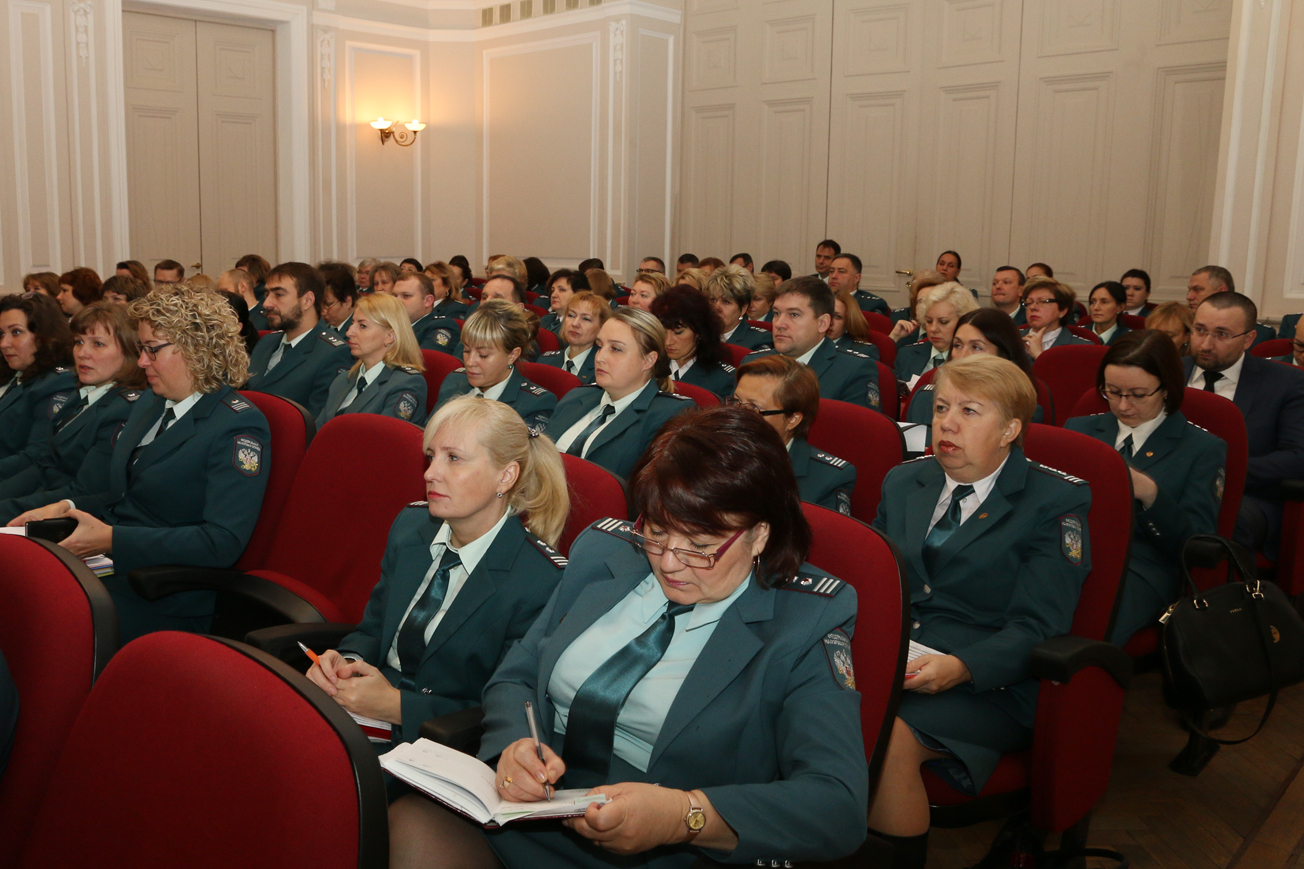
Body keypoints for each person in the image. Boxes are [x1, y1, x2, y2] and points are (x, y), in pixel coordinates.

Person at [387, 404, 868, 869]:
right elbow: (518, 675)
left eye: (700, 547)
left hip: (673, 848)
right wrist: (513, 746)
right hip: (536, 812)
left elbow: (837, 805)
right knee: (408, 822)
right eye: (657, 532)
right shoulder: (605, 552)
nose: (670, 561)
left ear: (760, 535)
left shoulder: (805, 621)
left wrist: (685, 816)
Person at [869, 354, 1091, 869]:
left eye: (970, 411)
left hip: (993, 681)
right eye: (941, 406)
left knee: (892, 736)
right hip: (900, 659)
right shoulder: (905, 482)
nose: (946, 422)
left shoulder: (1055, 503)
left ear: (1011, 428)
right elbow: (876, 581)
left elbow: (1040, 627)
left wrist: (962, 668)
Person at [7, 284, 270, 643]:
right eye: (141, 349)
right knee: (21, 583)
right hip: (112, 564)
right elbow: (118, 493)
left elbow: (221, 542)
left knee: (38, 612)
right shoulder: (151, 402)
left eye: (152, 350)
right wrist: (62, 509)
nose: (142, 361)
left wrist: (111, 539)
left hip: (162, 591)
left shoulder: (237, 425)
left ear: (195, 349)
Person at [306, 396, 570, 747]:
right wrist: (345, 663)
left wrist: (399, 708)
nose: (430, 473)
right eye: (431, 456)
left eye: (454, 458)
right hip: (364, 710)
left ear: (505, 476)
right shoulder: (411, 526)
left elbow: (501, 709)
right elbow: (373, 630)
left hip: (438, 742)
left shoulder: (539, 580)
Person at [1067, 331, 1225, 644]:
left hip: (1141, 566)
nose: (1123, 405)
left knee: (1086, 627)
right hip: (1071, 552)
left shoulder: (1202, 447)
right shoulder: (1080, 429)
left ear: (1166, 388)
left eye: (1138, 394)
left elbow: (1196, 544)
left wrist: (1151, 494)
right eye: (1112, 392)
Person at [1185, 292, 1304, 557]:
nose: (1205, 344)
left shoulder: (1286, 383)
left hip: (1245, 495)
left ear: (1249, 339)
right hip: (1166, 484)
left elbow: (1297, 457)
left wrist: (1220, 472)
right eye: (1200, 330)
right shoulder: (1166, 373)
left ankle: (1215, 598)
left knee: (1220, 520)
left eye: (1222, 334)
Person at [0, 302, 146, 518]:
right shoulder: (85, 394)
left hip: (71, 518)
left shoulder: (124, 409)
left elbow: (85, 491)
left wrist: (7, 509)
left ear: (129, 350)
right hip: (42, 502)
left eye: (98, 344)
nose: (82, 353)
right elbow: (44, 466)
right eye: (78, 342)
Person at [544, 308, 693, 479]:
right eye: (599, 346)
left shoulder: (669, 415)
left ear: (648, 360)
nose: (600, 357)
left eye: (615, 349)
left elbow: (646, 492)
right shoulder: (577, 397)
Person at [732, 355, 855, 515]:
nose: (738, 415)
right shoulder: (709, 450)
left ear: (792, 419)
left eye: (755, 408)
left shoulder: (827, 479)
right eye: (736, 402)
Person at [743, 277, 879, 409]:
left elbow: (854, 430)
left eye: (794, 314)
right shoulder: (753, 363)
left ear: (822, 323)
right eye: (777, 313)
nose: (779, 324)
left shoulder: (853, 371)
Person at [903, 308, 1046, 428]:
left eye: (976, 347)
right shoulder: (924, 399)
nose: (963, 356)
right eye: (958, 345)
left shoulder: (1019, 409)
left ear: (1003, 356)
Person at [245, 261, 353, 418]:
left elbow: (316, 424)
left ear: (307, 300)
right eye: (267, 294)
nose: (267, 303)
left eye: (279, 294)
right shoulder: (266, 343)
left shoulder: (333, 353)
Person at [435, 300, 556, 430]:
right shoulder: (453, 381)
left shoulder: (534, 404)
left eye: (483, 355)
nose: (469, 362)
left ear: (512, 355)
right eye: (466, 350)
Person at [317, 292, 427, 428]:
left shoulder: (406, 384)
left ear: (390, 336)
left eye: (362, 326)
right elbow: (317, 433)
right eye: (352, 323)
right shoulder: (343, 380)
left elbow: (380, 441)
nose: (349, 332)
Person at [0, 293, 76, 478]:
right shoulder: (23, 372)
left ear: (44, 335)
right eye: (1, 334)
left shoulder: (58, 383)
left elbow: (37, 456)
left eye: (16, 332)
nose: (4, 344)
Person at [651, 285, 736, 399]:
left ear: (699, 331)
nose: (668, 342)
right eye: (663, 332)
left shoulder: (722, 380)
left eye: (678, 333)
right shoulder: (649, 366)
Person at [894, 282, 979, 387]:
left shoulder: (972, 359)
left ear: (963, 321)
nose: (933, 329)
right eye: (929, 321)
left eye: (943, 322)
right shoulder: (907, 355)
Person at [537, 292, 610, 385]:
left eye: (586, 319)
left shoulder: (603, 368)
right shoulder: (545, 361)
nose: (575, 324)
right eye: (571, 315)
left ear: (602, 327)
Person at [389, 271, 463, 356]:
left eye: (406, 296)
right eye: (394, 296)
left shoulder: (442, 326)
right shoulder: (389, 324)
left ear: (427, 301)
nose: (397, 302)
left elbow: (425, 362)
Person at [1021, 277, 1091, 359]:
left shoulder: (1082, 348)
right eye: (1029, 302)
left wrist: (1039, 356)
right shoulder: (1009, 339)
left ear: (1062, 310)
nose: (1033, 307)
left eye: (1043, 301)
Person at [705, 265, 772, 352]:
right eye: (713, 300)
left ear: (743, 308)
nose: (716, 307)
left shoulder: (760, 340)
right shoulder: (699, 335)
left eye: (726, 302)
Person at [891, 270, 948, 346]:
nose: (925, 307)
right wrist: (894, 337)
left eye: (931, 301)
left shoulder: (951, 334)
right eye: (921, 301)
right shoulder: (904, 332)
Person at [541, 269, 589, 340]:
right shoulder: (545, 319)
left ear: (578, 294)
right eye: (553, 290)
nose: (553, 295)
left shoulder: (577, 326)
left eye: (562, 290)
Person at [320, 262, 360, 335]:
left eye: (328, 304)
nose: (323, 312)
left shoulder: (359, 331)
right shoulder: (322, 326)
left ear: (348, 302)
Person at [1087, 281, 1130, 346]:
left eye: (1104, 302)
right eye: (1093, 302)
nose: (1096, 307)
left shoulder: (1131, 339)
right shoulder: (1077, 334)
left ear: (1120, 307)